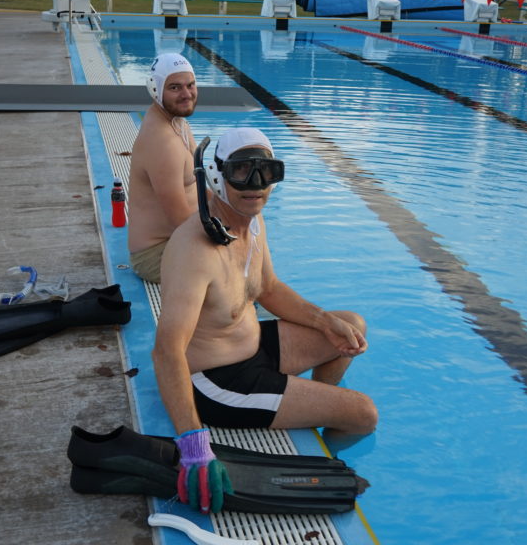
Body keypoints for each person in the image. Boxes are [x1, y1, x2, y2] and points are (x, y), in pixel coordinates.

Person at [152, 127, 378, 513]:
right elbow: (166, 351)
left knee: (350, 324)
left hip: (253, 346)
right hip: (218, 382)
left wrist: (325, 321)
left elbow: (268, 287)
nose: (256, 185)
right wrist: (193, 442)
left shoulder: (250, 219)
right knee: (363, 415)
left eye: (267, 171)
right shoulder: (195, 250)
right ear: (218, 174)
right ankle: (326, 453)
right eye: (242, 172)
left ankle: (312, 416)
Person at [127, 53, 199, 284]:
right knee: (235, 274)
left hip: (178, 240)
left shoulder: (177, 122)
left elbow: (201, 183)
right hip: (156, 255)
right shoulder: (163, 143)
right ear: (156, 90)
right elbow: (181, 220)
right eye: (175, 88)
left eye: (190, 85)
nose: (187, 94)